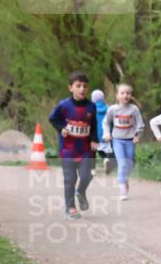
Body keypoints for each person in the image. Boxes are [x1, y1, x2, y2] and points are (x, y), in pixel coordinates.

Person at [48, 71, 99, 219]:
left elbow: (94, 125)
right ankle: (70, 207)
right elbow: (53, 119)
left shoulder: (91, 107)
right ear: (70, 88)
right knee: (70, 179)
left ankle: (81, 191)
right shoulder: (64, 105)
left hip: (85, 150)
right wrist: (61, 129)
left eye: (85, 86)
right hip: (68, 149)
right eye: (78, 86)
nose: (82, 89)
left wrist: (94, 140)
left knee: (87, 176)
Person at [101, 83, 144, 200]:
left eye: (128, 93)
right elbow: (105, 122)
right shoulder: (113, 109)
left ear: (131, 95)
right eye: (122, 93)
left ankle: (124, 180)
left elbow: (140, 124)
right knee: (122, 163)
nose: (125, 95)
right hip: (117, 140)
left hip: (130, 140)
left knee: (129, 164)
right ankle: (122, 189)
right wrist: (107, 133)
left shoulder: (134, 109)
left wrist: (137, 135)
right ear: (117, 96)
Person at [91, 89, 114, 175]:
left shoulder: (91, 109)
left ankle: (92, 170)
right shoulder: (108, 108)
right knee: (102, 150)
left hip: (94, 135)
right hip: (105, 134)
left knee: (92, 151)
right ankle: (106, 159)